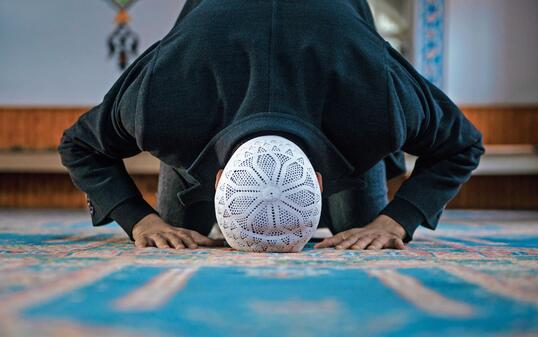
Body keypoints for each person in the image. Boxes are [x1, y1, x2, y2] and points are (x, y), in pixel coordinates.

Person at [58, 0, 484, 251]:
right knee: (168, 238)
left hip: (341, 75)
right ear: (216, 177)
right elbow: (80, 144)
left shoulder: (374, 100)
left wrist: (397, 220)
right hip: (205, 75)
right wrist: (139, 220)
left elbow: (463, 144)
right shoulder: (167, 101)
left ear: (320, 180)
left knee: (365, 238)